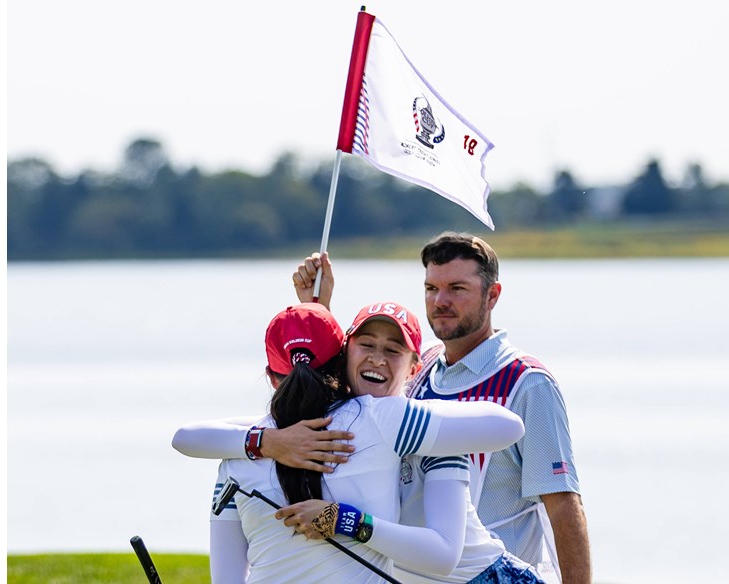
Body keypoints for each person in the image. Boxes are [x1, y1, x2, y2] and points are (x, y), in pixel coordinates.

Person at [291, 234, 592, 584]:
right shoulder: (422, 366)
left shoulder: (527, 383)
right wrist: (318, 309)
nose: (440, 301)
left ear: (492, 295)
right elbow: (354, 395)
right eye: (431, 288)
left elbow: (564, 507)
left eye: (456, 289)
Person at [172, 301, 532, 583]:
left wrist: (341, 518)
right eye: (366, 345)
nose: (377, 358)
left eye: (393, 350)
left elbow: (185, 438)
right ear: (342, 360)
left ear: (414, 368)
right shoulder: (381, 419)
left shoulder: (234, 453)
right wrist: (268, 442)